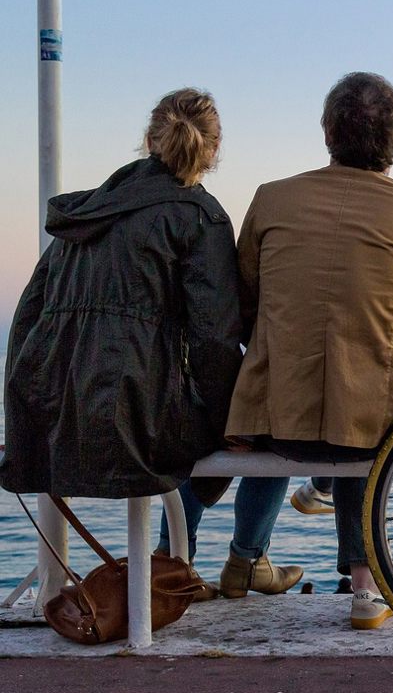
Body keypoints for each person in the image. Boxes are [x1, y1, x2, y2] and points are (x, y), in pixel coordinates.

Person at [223, 72, 393, 628]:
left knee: (291, 411)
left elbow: (243, 306)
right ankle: (365, 592)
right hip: (369, 426)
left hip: (271, 418)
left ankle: (239, 563)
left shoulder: (271, 199)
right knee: (365, 425)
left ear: (327, 131)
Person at [0, 90, 242, 596]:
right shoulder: (200, 217)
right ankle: (206, 561)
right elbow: (214, 342)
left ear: (149, 140)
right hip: (134, 419)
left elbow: (27, 320)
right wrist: (233, 421)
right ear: (213, 152)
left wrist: (25, 416)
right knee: (257, 428)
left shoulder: (86, 211)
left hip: (52, 412)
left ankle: (172, 562)